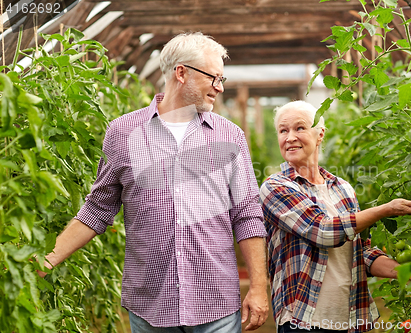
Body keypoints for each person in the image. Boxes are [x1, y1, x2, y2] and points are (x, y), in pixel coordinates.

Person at [38, 32, 269, 332]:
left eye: (221, 79)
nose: (220, 87)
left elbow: (247, 215)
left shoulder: (229, 136)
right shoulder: (123, 133)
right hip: (150, 306)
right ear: (181, 73)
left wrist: (259, 288)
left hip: (216, 304)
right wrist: (44, 262)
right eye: (214, 78)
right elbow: (96, 210)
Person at [259, 101, 411, 333]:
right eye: (283, 130)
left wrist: (404, 273)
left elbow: (360, 252)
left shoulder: (343, 189)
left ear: (320, 135)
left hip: (349, 319)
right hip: (303, 320)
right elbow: (322, 231)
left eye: (300, 128)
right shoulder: (275, 187)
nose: (290, 137)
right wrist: (385, 210)